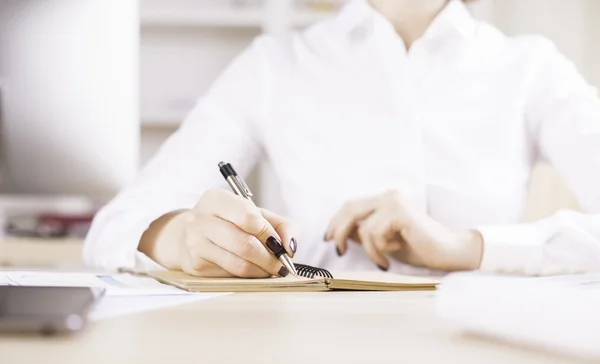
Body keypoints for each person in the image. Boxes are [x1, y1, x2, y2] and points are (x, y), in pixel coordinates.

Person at [85, 0, 600, 278]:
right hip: (314, 355)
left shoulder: (532, 67)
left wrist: (466, 248)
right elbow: (114, 227)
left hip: (482, 350)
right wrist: (181, 237)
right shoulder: (275, 66)